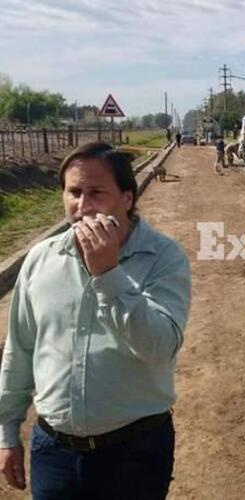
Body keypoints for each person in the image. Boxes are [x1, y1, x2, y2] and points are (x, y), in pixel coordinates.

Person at [0, 142, 191, 499]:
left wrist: (108, 273)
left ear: (127, 198)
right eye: (73, 192)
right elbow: (20, 349)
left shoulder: (163, 257)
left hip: (134, 453)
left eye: (97, 193)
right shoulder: (42, 259)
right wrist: (7, 433)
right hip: (54, 452)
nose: (82, 206)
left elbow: (160, 347)